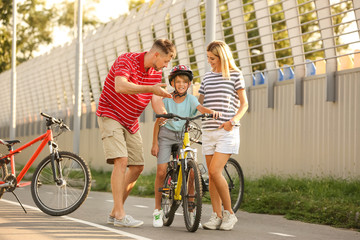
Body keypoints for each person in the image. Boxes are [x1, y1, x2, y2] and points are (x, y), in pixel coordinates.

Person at [96, 39, 176, 228]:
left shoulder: (155, 74)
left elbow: (155, 100)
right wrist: (150, 88)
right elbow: (120, 86)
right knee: (121, 160)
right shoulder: (127, 60)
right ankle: (121, 214)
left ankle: (115, 212)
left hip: (130, 122)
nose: (167, 65)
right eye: (166, 60)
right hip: (111, 114)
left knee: (138, 166)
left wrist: (165, 114)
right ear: (156, 54)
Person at [151, 65, 220, 228]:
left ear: (189, 84)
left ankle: (190, 205)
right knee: (161, 171)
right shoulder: (166, 99)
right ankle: (157, 210)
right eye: (178, 81)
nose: (181, 84)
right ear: (172, 83)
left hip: (183, 135)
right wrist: (154, 143)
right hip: (166, 136)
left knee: (191, 170)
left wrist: (211, 111)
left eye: (185, 82)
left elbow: (200, 108)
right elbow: (158, 122)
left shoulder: (191, 99)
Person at [199, 40, 248, 231]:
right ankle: (216, 215)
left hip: (227, 131)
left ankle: (229, 214)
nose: (209, 61)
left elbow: (244, 104)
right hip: (208, 130)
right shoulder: (207, 77)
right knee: (212, 177)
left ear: (222, 57)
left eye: (212, 58)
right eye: (208, 58)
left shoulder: (236, 75)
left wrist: (233, 121)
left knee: (214, 171)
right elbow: (199, 103)